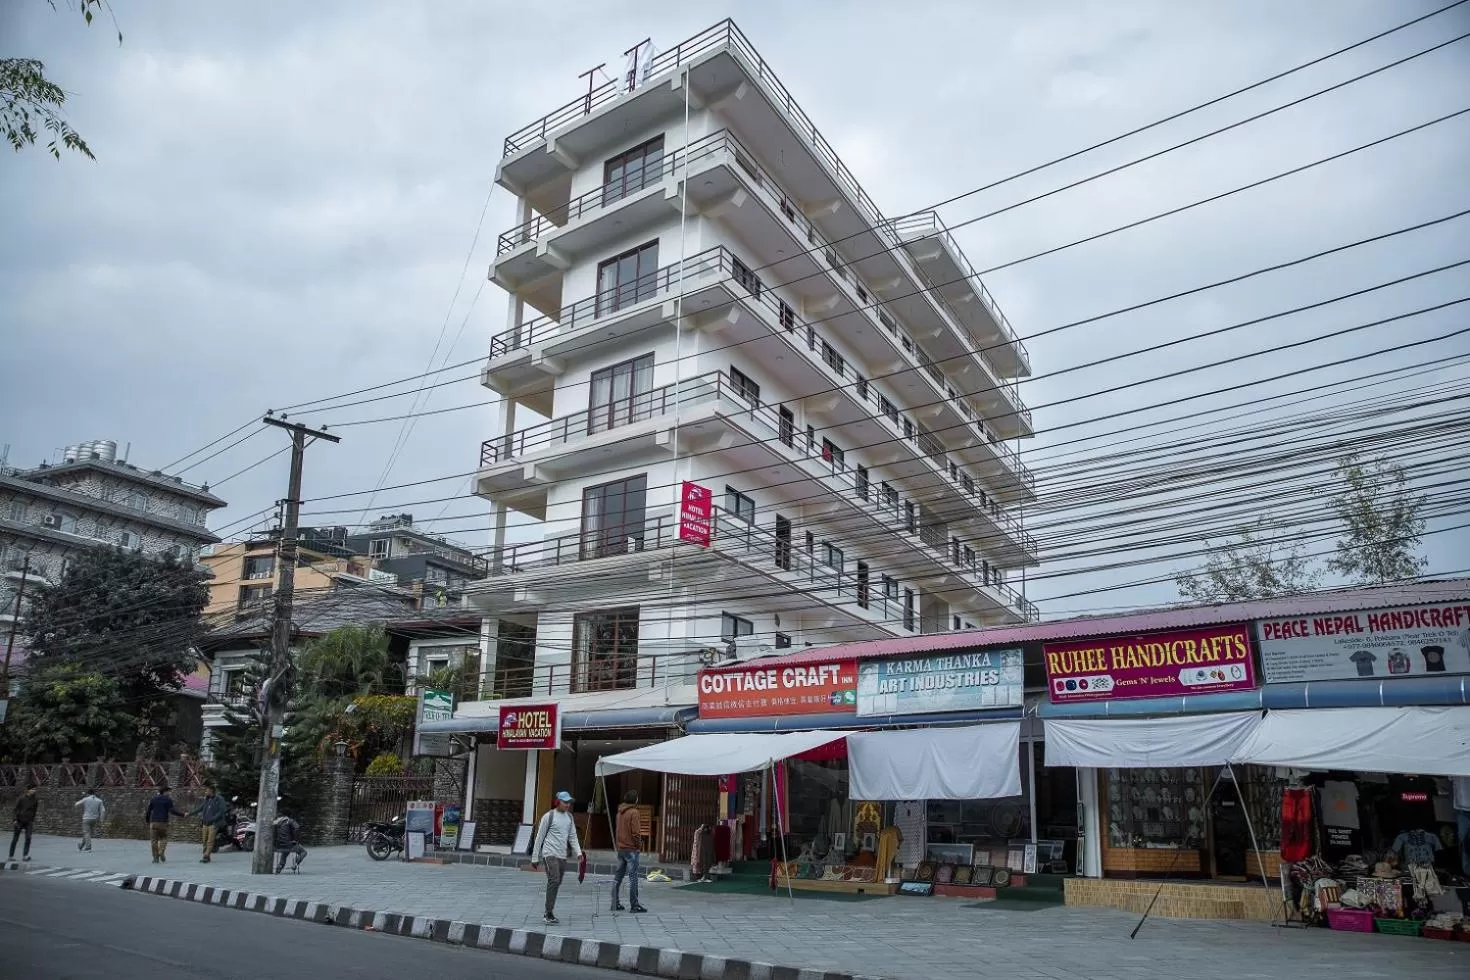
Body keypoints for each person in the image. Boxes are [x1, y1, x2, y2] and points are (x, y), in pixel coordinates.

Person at [530, 790, 583, 925]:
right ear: (558, 802)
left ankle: (548, 910)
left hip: (562, 855)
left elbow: (572, 836)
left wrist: (578, 852)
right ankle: (548, 913)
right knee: (554, 879)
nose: (567, 805)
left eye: (569, 802)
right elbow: (539, 837)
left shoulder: (569, 817)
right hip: (549, 853)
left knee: (557, 882)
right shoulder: (549, 816)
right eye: (565, 802)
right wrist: (535, 857)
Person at [611, 790, 648, 913]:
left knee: (618, 876)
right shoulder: (634, 812)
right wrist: (639, 845)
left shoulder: (619, 812)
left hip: (621, 848)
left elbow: (617, 831)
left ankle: (615, 903)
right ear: (635, 800)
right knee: (633, 877)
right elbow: (636, 833)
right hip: (631, 849)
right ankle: (634, 905)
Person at [144, 785, 186, 864]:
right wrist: (183, 815)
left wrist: (147, 821)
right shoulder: (168, 800)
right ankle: (161, 852)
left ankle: (155, 858)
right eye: (168, 792)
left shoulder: (153, 799)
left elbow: (148, 811)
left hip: (153, 822)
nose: (169, 793)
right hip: (163, 822)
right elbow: (172, 811)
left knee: (154, 841)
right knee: (164, 838)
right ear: (165, 792)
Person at [188, 785, 229, 863]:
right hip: (205, 823)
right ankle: (207, 855)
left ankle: (206, 856)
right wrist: (190, 813)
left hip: (214, 823)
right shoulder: (207, 799)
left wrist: (213, 818)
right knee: (204, 840)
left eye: (207, 791)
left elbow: (222, 811)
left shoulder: (219, 799)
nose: (205, 792)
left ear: (211, 791)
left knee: (210, 841)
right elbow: (200, 808)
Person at [10, 786, 39, 862]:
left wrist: (32, 820)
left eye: (35, 789)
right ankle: (11, 856)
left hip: (29, 822)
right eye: (32, 789)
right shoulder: (21, 798)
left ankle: (25, 855)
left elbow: (34, 811)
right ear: (28, 790)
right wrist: (15, 820)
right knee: (15, 839)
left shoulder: (35, 800)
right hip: (19, 821)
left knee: (28, 838)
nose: (34, 791)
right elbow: (15, 809)